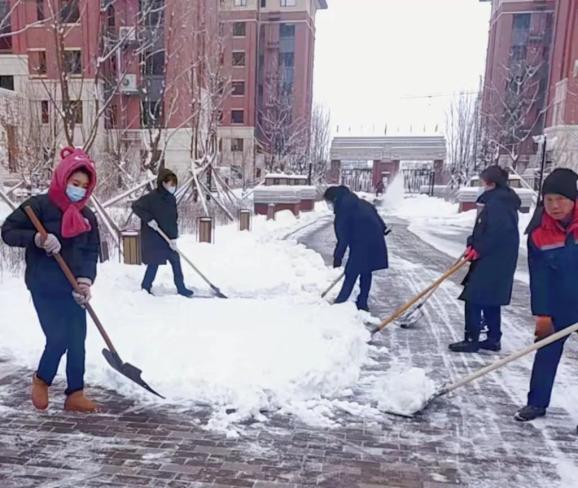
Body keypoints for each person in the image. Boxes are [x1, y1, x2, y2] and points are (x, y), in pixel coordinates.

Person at [1, 147, 100, 413]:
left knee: (77, 339)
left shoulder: (87, 217)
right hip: (44, 285)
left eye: (83, 185)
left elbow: (91, 252)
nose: (78, 189)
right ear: (62, 177)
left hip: (72, 289)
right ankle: (42, 379)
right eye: (74, 183)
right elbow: (8, 231)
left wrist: (85, 282)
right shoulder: (38, 207)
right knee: (58, 338)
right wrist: (37, 238)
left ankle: (75, 394)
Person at [515, 168, 578, 422]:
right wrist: (542, 314)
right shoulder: (539, 232)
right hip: (558, 304)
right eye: (549, 199)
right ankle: (536, 403)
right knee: (546, 350)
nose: (554, 205)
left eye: (560, 199)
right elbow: (539, 278)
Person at [450, 165, 521, 353]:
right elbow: (483, 229)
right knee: (490, 298)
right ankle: (493, 339)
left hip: (495, 260)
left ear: (491, 183)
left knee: (474, 296)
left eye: (483, 182)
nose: (481, 186)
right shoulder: (498, 201)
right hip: (495, 258)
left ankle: (472, 340)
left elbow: (497, 233)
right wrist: (472, 243)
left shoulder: (498, 203)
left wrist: (479, 248)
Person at [323, 185, 389, 311]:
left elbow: (343, 239)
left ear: (335, 199)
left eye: (329, 202)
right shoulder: (361, 203)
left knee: (351, 272)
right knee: (366, 271)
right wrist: (382, 229)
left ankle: (339, 303)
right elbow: (378, 219)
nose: (329, 205)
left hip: (362, 244)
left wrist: (338, 257)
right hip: (376, 241)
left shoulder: (343, 211)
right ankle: (362, 303)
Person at [132, 168, 193, 297]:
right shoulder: (151, 198)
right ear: (163, 183)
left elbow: (173, 219)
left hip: (167, 238)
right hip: (154, 238)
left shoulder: (171, 199)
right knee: (154, 263)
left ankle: (181, 288)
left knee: (176, 261)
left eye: (174, 184)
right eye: (170, 183)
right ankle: (145, 287)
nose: (173, 187)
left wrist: (173, 238)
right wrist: (149, 220)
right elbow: (135, 206)